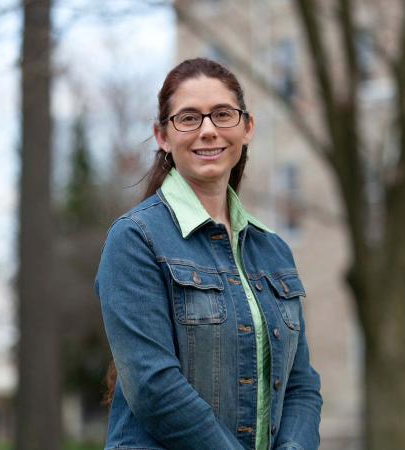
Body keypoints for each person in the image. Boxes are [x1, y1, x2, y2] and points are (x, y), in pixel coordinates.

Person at [95, 57, 322, 450]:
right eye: (188, 118)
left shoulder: (274, 251)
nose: (208, 131)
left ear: (247, 128)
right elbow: (154, 387)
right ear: (162, 136)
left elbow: (301, 385)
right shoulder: (135, 240)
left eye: (222, 115)